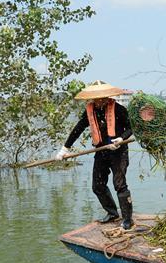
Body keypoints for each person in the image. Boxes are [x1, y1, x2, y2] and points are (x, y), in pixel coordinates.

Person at [56, 81, 135, 230]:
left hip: (118, 152)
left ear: (107, 96)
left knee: (120, 185)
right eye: (96, 98)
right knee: (97, 186)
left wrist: (121, 139)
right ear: (92, 98)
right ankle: (112, 213)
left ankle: (127, 220)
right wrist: (65, 148)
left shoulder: (118, 109)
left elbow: (131, 127)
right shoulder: (90, 111)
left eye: (102, 97)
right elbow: (78, 129)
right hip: (101, 152)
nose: (100, 101)